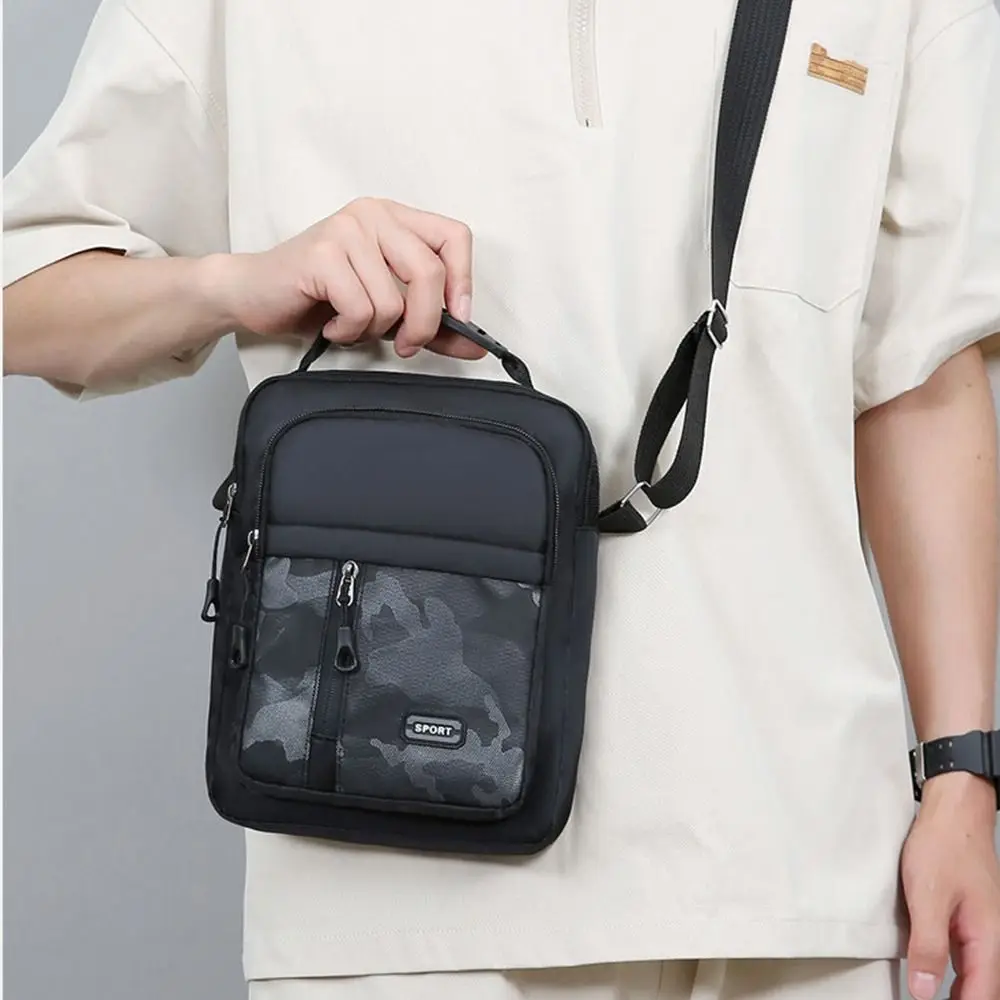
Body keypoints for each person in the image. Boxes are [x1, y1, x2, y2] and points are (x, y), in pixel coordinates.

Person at [4, 1, 1000, 998]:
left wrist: (961, 774)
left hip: (805, 863)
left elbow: (923, 368)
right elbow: (24, 296)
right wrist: (241, 283)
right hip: (398, 883)